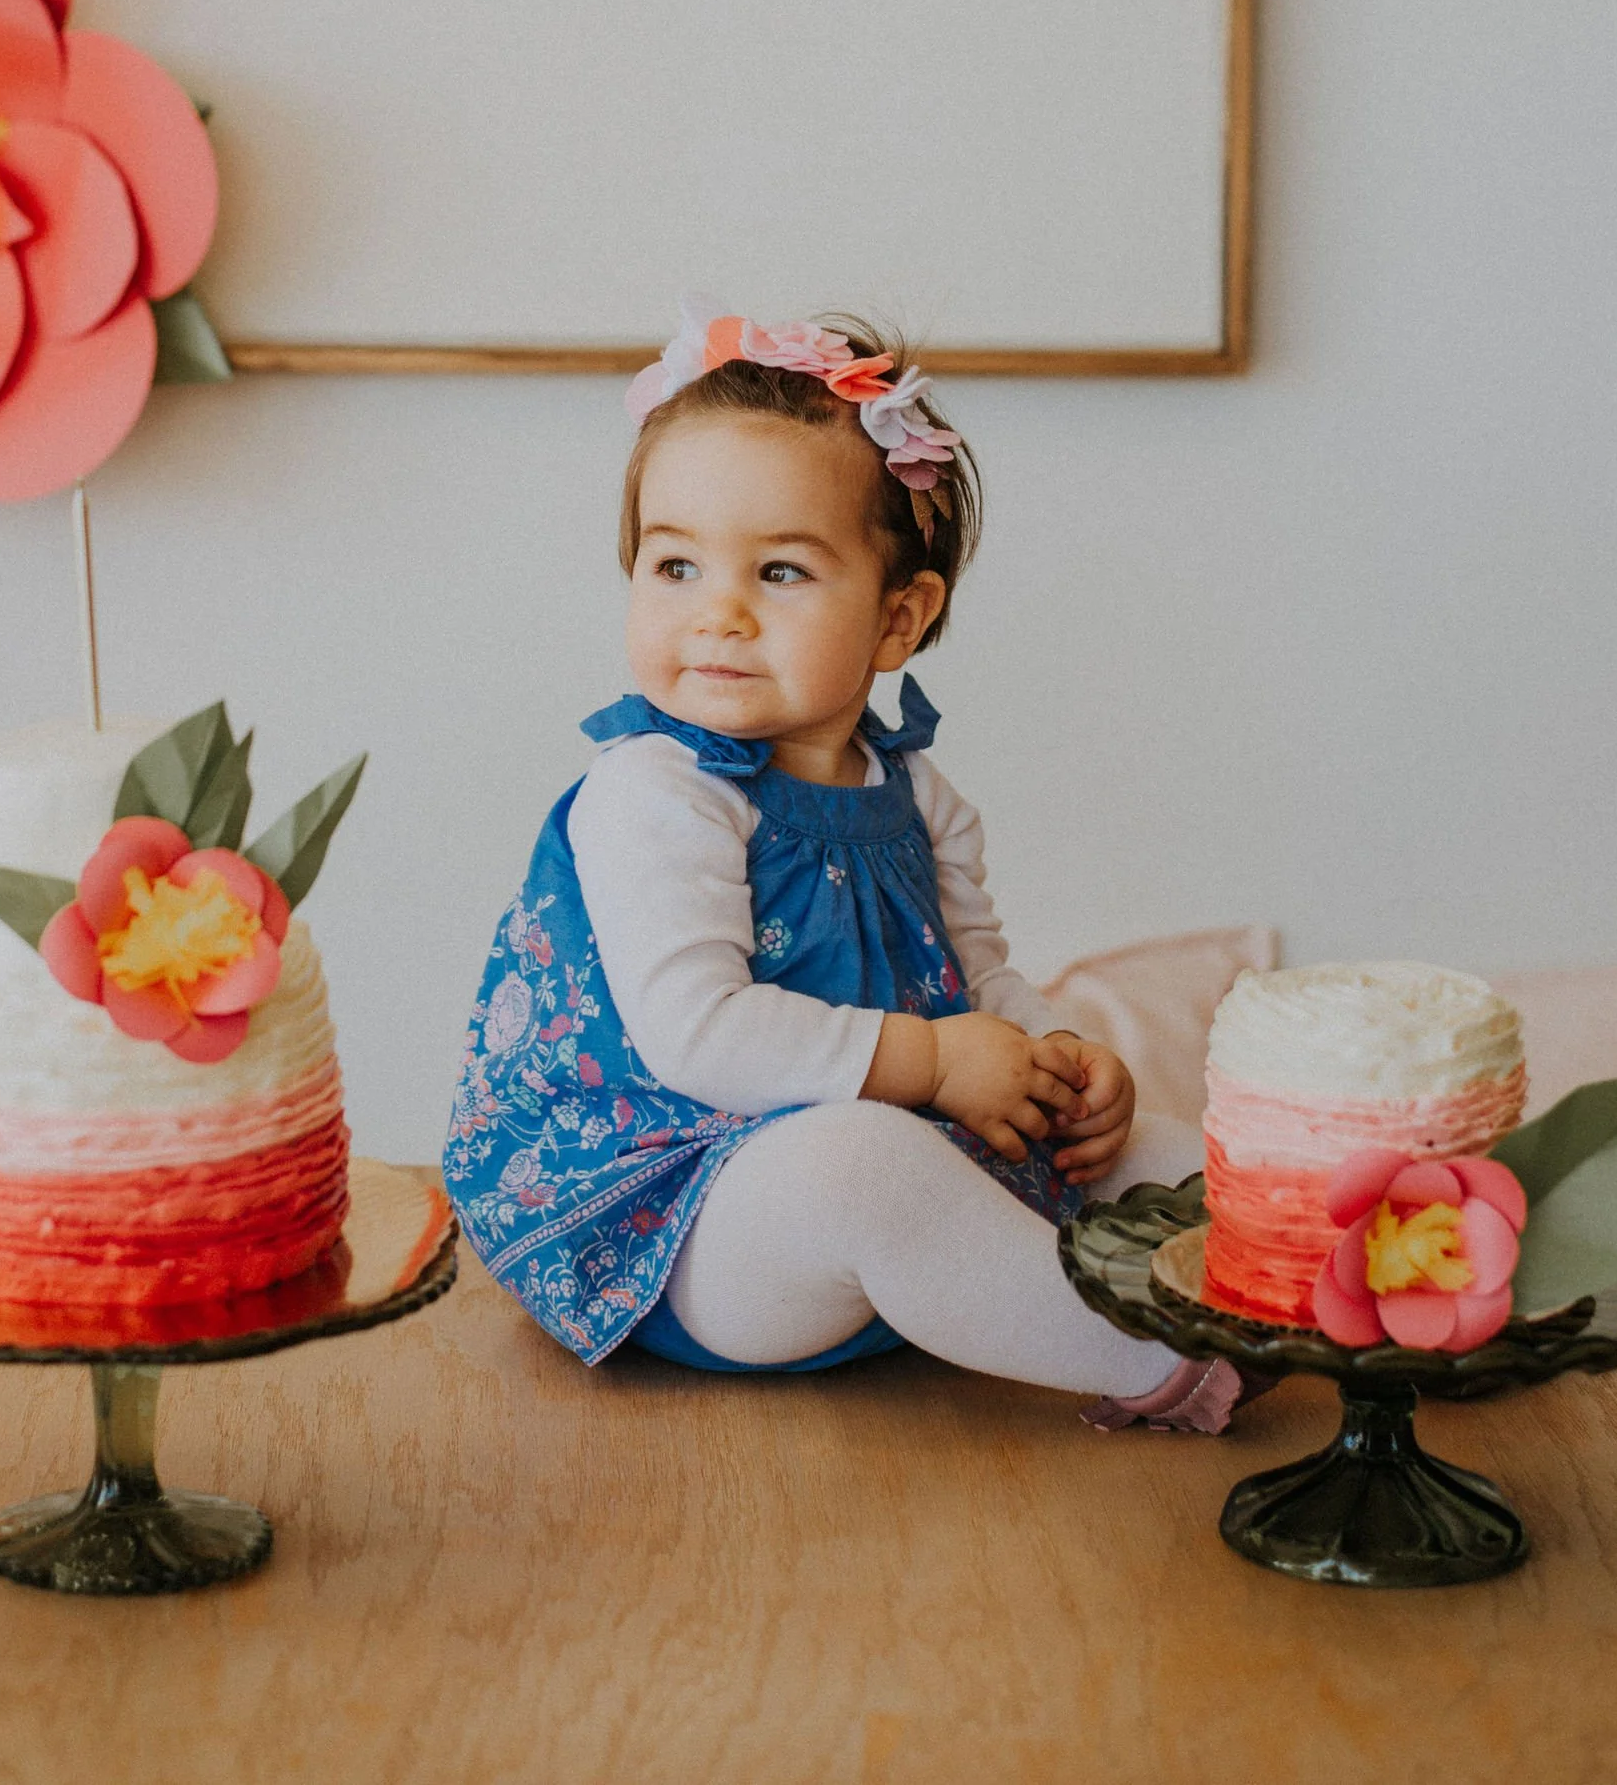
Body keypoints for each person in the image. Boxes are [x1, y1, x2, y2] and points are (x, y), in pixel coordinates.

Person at [444, 303, 1249, 1428]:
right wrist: (929, 1061)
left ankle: (1316, 1289)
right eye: (673, 562)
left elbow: (976, 982)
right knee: (859, 1164)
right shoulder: (656, 790)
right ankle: (1155, 1358)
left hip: (890, 1167)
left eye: (778, 571)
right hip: (675, 1220)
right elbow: (696, 1031)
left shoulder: (920, 799)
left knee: (1165, 1145)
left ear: (896, 618)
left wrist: (1053, 1055)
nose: (715, 612)